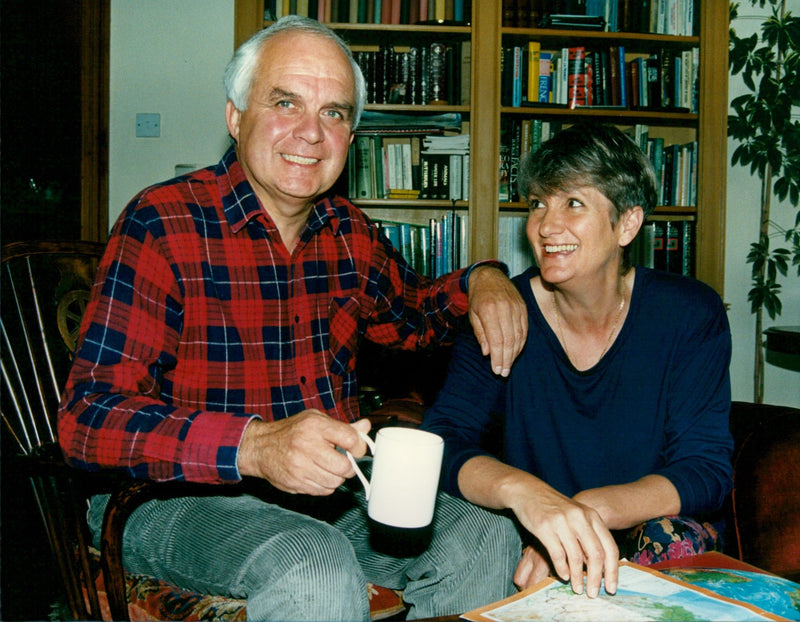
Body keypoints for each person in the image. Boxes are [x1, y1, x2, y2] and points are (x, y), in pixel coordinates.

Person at [57, 16, 527, 621]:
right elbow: (87, 419)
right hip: (168, 499)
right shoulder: (163, 223)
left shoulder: (348, 233)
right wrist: (254, 446)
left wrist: (482, 278)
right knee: (311, 558)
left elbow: (417, 316)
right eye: (286, 102)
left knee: (485, 534)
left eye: (334, 113)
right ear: (235, 116)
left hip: (326, 498)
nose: (311, 132)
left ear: (351, 134)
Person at [422, 122, 733, 600]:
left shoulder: (689, 313)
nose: (546, 226)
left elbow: (706, 470)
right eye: (538, 203)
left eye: (573, 203)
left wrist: (581, 511)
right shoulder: (503, 313)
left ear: (627, 223)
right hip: (527, 541)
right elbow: (441, 443)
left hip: (651, 539)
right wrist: (533, 501)